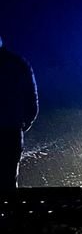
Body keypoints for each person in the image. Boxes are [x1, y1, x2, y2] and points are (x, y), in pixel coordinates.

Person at [0, 35, 39, 190]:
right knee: (9, 181)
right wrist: (21, 125)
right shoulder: (19, 64)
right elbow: (32, 102)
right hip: (11, 131)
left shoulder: (19, 64)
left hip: (12, 129)